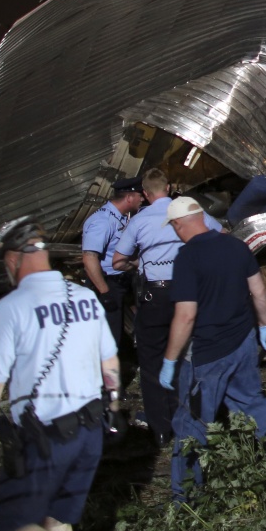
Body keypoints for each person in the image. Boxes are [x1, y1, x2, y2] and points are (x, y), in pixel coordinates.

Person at [0, 216, 124, 531]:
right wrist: (113, 408)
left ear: (13, 259)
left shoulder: (11, 308)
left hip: (48, 436)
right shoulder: (85, 298)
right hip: (91, 428)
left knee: (14, 524)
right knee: (58, 518)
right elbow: (109, 360)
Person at [158, 197, 266, 503]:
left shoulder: (187, 257)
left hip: (207, 354)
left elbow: (186, 315)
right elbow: (258, 291)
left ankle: (187, 499)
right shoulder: (236, 246)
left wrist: (169, 360)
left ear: (178, 225)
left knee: (191, 423)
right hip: (243, 342)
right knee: (252, 402)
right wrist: (264, 326)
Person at [112, 168, 222, 444]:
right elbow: (220, 234)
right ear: (170, 186)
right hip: (191, 292)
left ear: (146, 194)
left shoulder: (139, 221)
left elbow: (117, 261)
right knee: (192, 354)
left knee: (152, 360)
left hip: (156, 296)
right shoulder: (189, 211)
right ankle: (197, 419)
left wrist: (140, 264)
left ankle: (160, 428)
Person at [81, 175, 143, 346]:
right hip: (106, 284)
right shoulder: (103, 221)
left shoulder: (120, 217)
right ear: (129, 197)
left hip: (120, 282)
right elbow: (89, 257)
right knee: (109, 339)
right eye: (140, 195)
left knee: (117, 334)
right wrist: (105, 292)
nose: (142, 199)